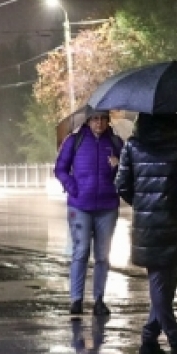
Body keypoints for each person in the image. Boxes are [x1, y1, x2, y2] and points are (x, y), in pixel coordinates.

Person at [115, 112, 177, 354]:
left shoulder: (133, 145)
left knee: (162, 288)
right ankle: (176, 342)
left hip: (148, 226)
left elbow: (121, 184)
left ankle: (149, 340)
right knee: (164, 287)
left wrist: (144, 205)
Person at [54, 109, 124, 317]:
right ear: (88, 121)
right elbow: (60, 169)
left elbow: (127, 174)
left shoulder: (116, 143)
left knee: (102, 255)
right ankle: (76, 299)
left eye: (103, 119)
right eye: (95, 119)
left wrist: (117, 166)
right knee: (81, 252)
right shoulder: (74, 141)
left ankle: (99, 300)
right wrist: (73, 188)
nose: (99, 123)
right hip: (80, 205)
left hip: (107, 207)